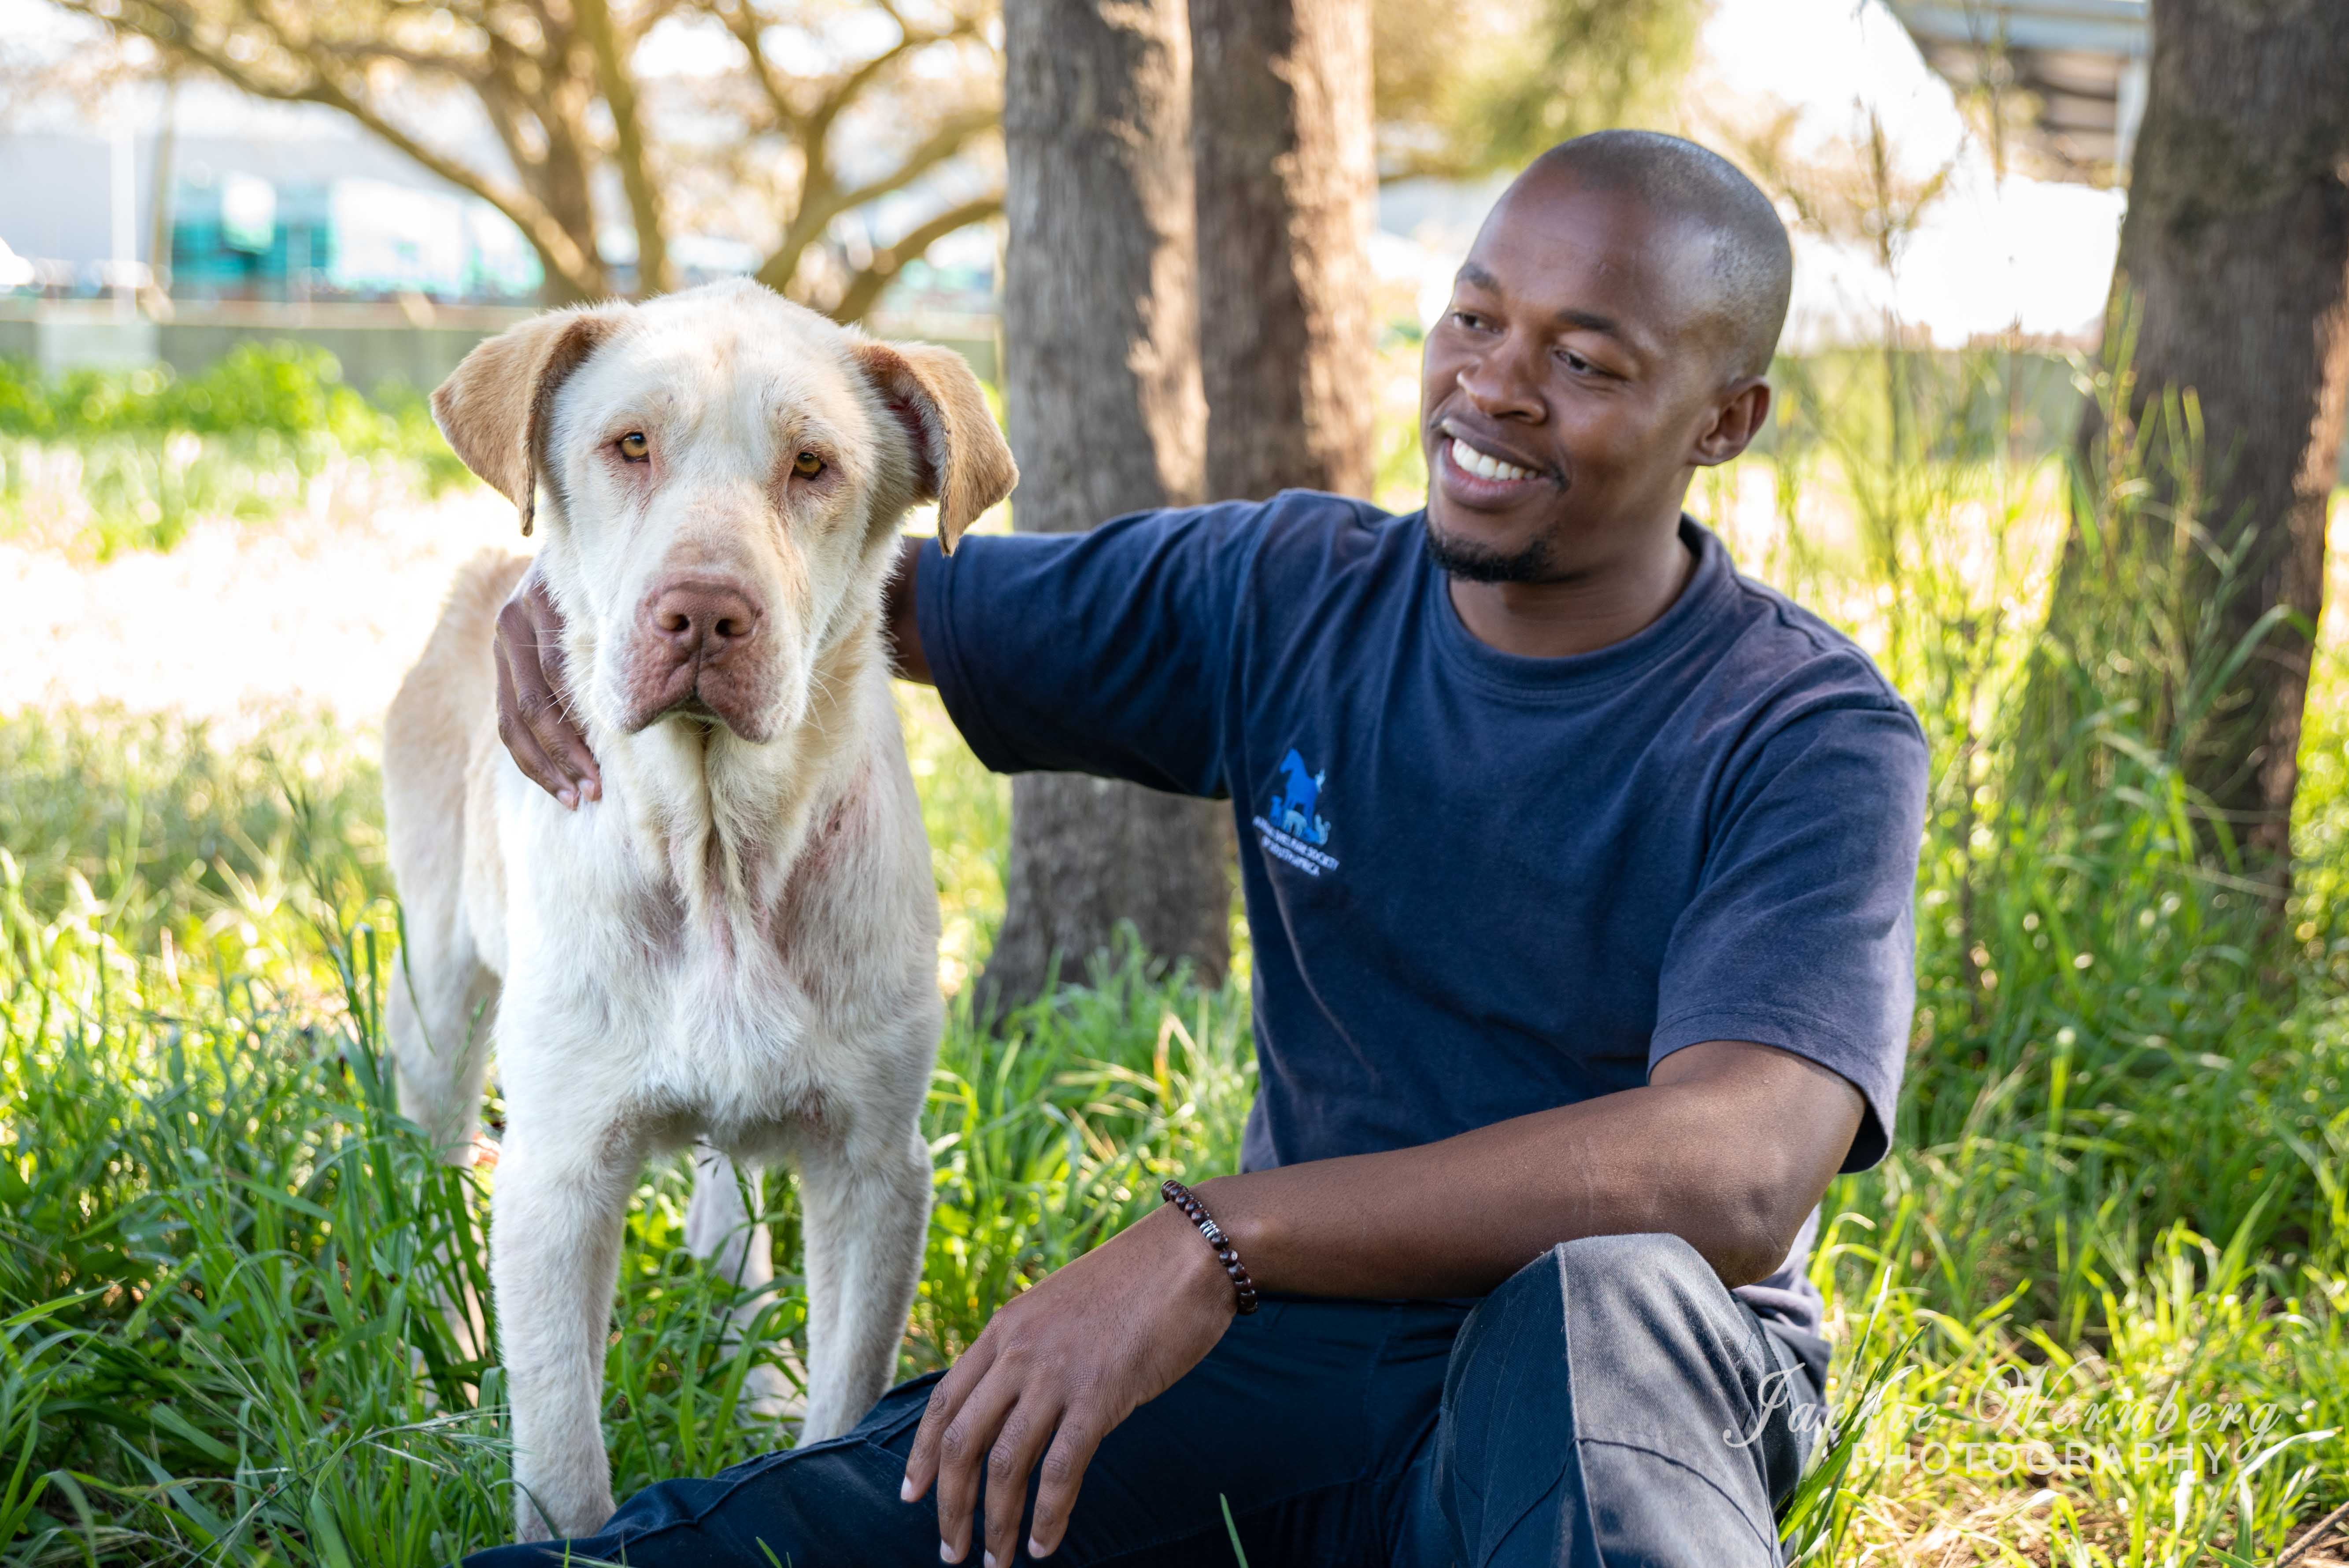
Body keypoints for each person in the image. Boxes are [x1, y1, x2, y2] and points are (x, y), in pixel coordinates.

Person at [464, 129, 1927, 1568]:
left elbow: (1734, 1175)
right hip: (1295, 1360)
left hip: (1612, 1382)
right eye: (1475, 317)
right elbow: (849, 592)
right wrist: (584, 602)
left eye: (1585, 361)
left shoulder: (1804, 730)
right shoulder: (1287, 593)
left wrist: (1216, 1240)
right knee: (818, 1528)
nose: (1494, 384)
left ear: (1726, 420)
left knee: (1598, 1300)